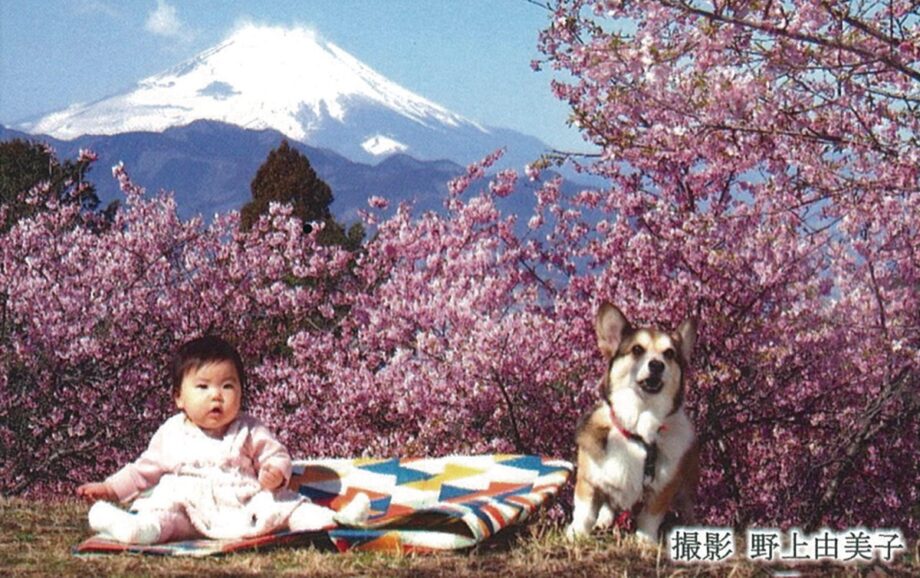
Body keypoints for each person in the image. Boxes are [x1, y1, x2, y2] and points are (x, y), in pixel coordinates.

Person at [77, 335, 368, 544]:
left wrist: (276, 473)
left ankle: (332, 520)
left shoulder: (249, 428)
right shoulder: (172, 432)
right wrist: (109, 488)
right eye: (202, 386)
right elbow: (143, 471)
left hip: (243, 501)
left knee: (284, 505)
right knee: (166, 518)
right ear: (179, 397)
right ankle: (136, 529)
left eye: (227, 386)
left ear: (241, 392)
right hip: (190, 505)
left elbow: (275, 454)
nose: (216, 395)